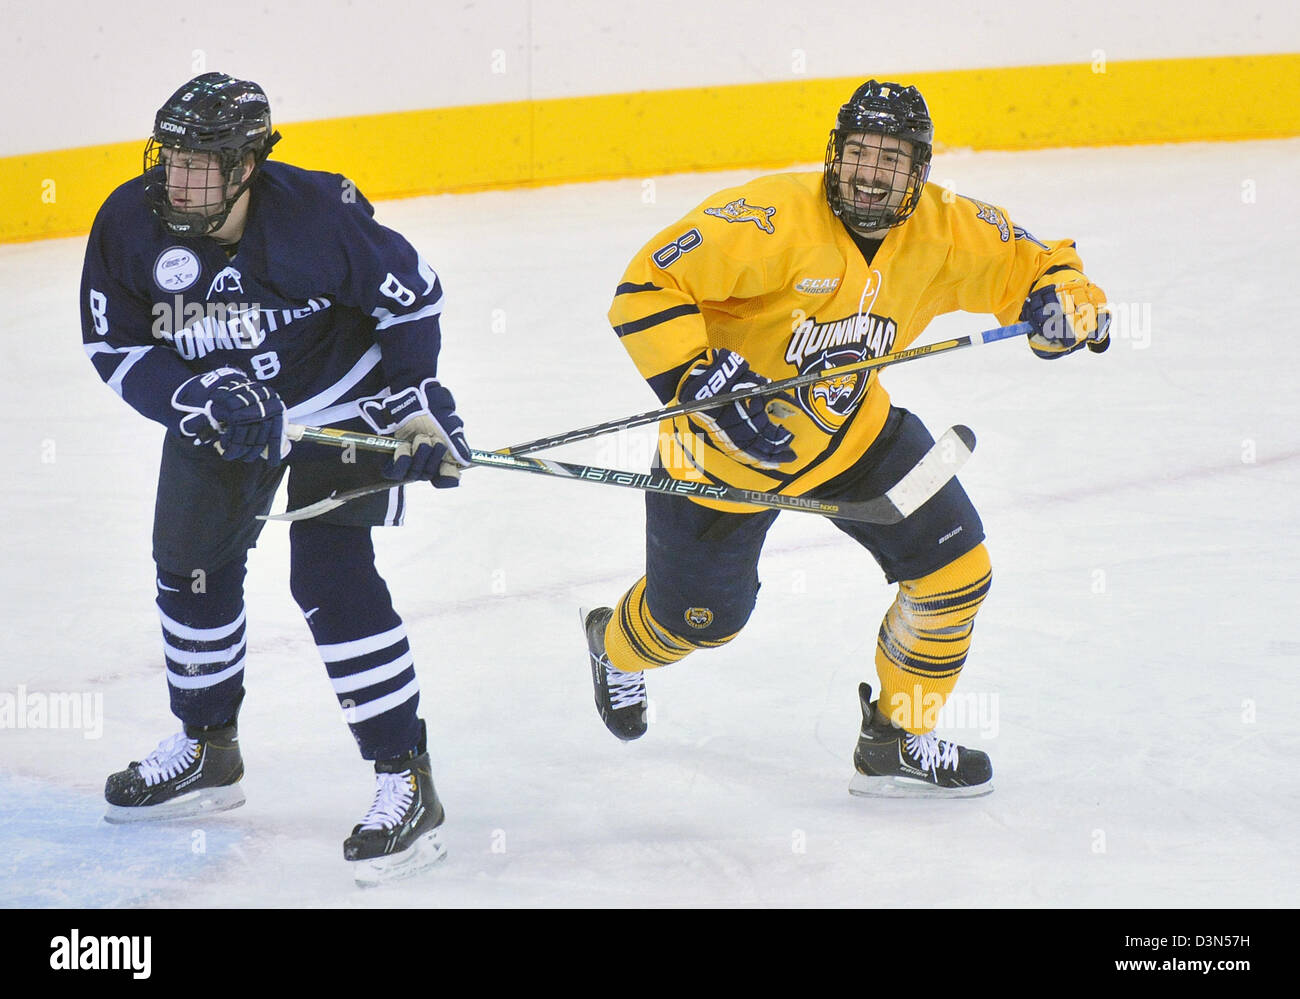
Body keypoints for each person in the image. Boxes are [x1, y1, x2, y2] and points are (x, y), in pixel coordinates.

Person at [583, 80, 1109, 797]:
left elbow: (1042, 263)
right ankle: (615, 644)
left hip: (855, 436)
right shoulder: (767, 218)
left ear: (918, 173)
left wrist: (1068, 302)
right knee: (698, 623)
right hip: (724, 455)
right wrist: (700, 383)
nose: (868, 172)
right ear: (834, 155)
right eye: (857, 152)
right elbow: (647, 286)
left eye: (889, 160)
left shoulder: (946, 230)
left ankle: (894, 736)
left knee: (957, 573)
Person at [80, 72, 470, 883]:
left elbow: (412, 298)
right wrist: (197, 395)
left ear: (249, 164)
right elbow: (113, 346)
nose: (179, 179)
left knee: (330, 575)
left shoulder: (319, 218)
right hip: (221, 404)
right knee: (190, 570)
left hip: (340, 397)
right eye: (172, 159)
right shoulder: (127, 221)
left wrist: (417, 405)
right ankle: (207, 749)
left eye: (203, 163)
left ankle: (406, 776)